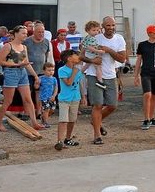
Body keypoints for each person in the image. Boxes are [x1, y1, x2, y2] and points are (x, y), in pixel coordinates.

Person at [84, 17, 127, 145]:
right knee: (97, 105)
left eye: (113, 25)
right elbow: (81, 55)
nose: (111, 27)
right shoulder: (95, 37)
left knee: (112, 105)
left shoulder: (119, 39)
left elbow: (122, 59)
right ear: (103, 26)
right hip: (94, 74)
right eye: (108, 25)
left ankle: (96, 121)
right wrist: (92, 61)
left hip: (111, 75)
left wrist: (108, 50)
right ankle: (97, 135)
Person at [0, 25, 43, 131]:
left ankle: (34, 122)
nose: (25, 35)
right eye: (23, 33)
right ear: (16, 34)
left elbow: (26, 63)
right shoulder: (8, 46)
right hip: (10, 72)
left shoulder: (24, 47)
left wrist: (35, 76)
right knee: (8, 100)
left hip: (22, 72)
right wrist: (15, 64)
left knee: (28, 99)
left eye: (26, 33)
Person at [135, 25, 155, 130]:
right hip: (145, 73)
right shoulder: (142, 45)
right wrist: (136, 75)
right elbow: (139, 60)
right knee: (147, 94)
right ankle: (146, 119)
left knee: (154, 95)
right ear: (149, 33)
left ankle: (152, 118)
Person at [54, 50, 83, 150]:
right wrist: (74, 72)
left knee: (72, 120)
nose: (78, 56)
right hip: (64, 99)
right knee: (63, 120)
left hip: (75, 98)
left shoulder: (78, 70)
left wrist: (83, 97)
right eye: (75, 55)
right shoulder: (62, 70)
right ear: (69, 58)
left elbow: (79, 84)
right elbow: (68, 83)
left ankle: (68, 138)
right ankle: (60, 141)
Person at [25, 22, 54, 118]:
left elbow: (47, 56)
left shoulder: (46, 42)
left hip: (41, 71)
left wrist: (48, 69)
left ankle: (39, 111)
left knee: (40, 92)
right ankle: (27, 111)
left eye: (42, 32)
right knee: (28, 92)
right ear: (34, 32)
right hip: (29, 71)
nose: (41, 34)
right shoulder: (27, 41)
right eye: (39, 32)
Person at [80, 21, 106, 90]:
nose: (96, 32)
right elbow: (90, 47)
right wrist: (98, 51)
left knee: (87, 65)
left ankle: (79, 73)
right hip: (92, 54)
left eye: (97, 30)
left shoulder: (87, 37)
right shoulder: (92, 38)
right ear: (88, 30)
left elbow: (83, 44)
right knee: (98, 66)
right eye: (93, 30)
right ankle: (100, 81)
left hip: (88, 54)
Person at [37, 63, 58, 128]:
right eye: (49, 70)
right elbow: (36, 87)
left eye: (52, 70)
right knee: (47, 110)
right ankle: (45, 122)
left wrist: (54, 96)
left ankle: (43, 118)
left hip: (51, 97)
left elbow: (56, 88)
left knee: (52, 110)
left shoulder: (54, 79)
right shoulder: (40, 78)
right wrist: (36, 83)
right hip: (44, 98)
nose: (51, 72)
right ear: (44, 71)